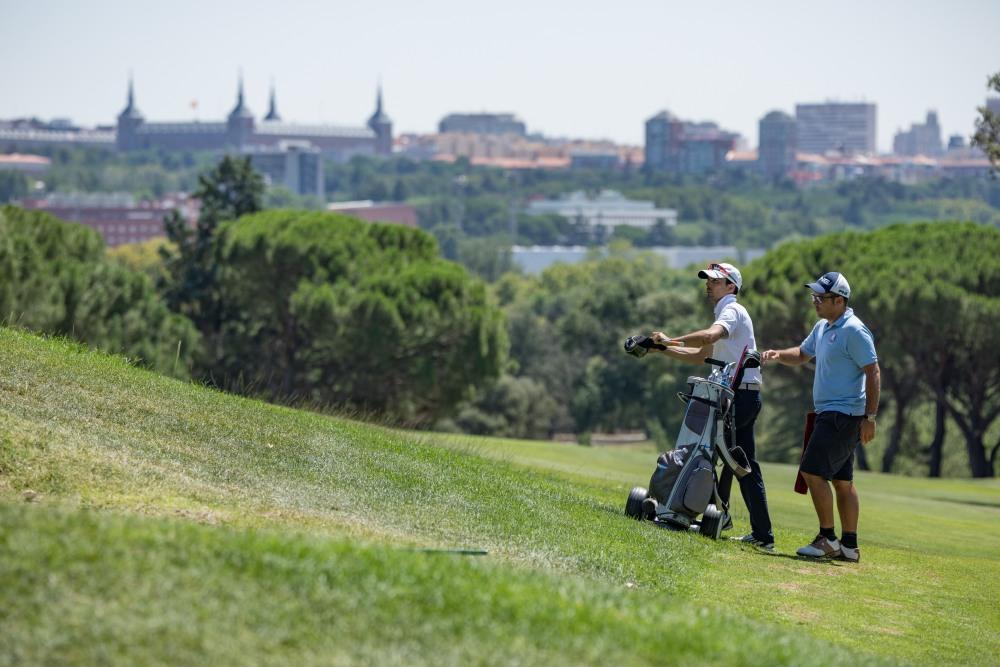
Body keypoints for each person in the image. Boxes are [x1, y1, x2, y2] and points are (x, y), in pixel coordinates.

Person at [650, 261, 775, 551]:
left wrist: (670, 338)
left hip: (739, 396)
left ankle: (717, 516)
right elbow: (700, 355)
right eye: (708, 280)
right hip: (738, 394)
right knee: (739, 462)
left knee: (725, 458)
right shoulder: (723, 311)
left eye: (715, 281)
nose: (709, 284)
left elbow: (708, 337)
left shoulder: (732, 310)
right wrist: (664, 349)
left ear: (731, 286)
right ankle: (751, 530)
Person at [762, 271, 880, 563]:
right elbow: (802, 354)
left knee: (812, 472)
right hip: (831, 413)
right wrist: (779, 355)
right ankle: (849, 546)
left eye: (821, 297)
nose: (814, 301)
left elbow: (873, 371)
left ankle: (828, 538)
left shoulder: (854, 330)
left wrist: (871, 417)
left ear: (839, 300)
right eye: (814, 296)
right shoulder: (823, 327)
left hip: (843, 415)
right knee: (842, 481)